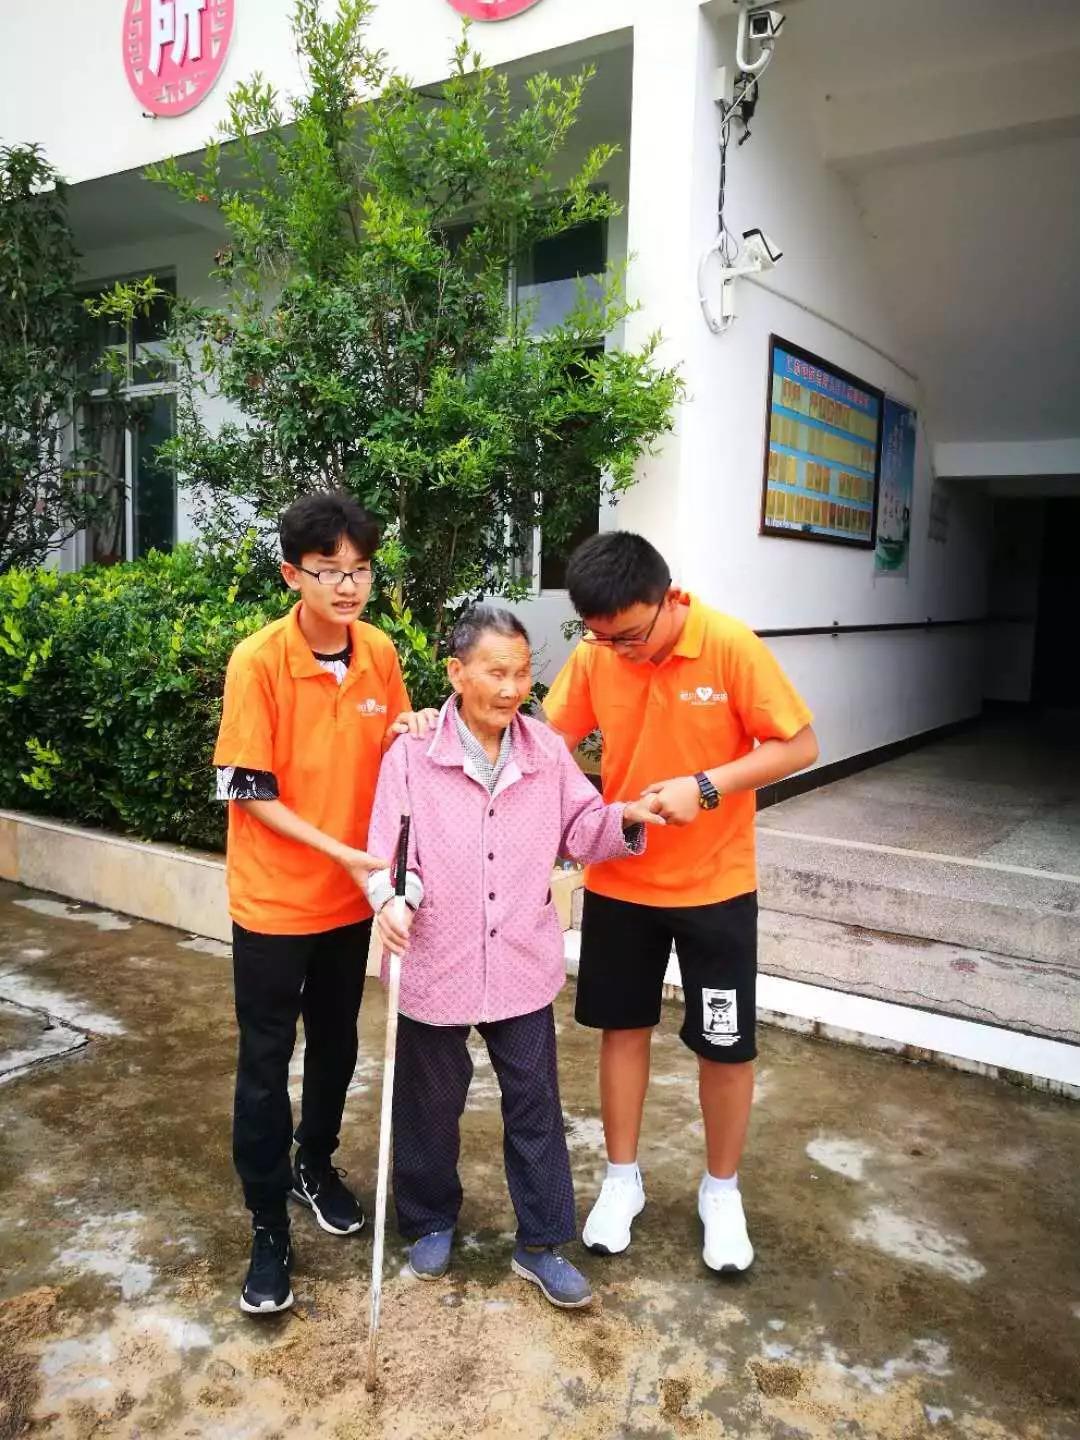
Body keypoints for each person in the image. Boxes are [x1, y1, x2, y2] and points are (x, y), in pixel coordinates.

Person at [365, 605, 665, 1309]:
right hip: (435, 961)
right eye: (496, 671)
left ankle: (540, 1242)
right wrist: (393, 899)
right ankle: (430, 1220)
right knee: (429, 1105)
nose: (511, 688)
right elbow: (391, 853)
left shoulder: (545, 751)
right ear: (457, 672)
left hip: (522, 964)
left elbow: (581, 827)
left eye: (523, 672)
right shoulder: (412, 754)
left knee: (535, 1105)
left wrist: (622, 818)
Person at [543, 531, 818, 1273]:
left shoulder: (728, 646)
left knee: (725, 1044)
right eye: (602, 638)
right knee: (622, 1028)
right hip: (621, 882)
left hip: (715, 887)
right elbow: (549, 739)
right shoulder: (598, 653)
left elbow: (798, 746)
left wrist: (706, 786)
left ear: (668, 600)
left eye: (631, 636)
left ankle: (720, 1191)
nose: (619, 652)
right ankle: (621, 1180)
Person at [213, 491, 436, 1315]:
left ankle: (315, 1161)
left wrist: (411, 727)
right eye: (330, 571)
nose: (348, 586)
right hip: (274, 902)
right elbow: (249, 790)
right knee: (265, 1064)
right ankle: (267, 1224)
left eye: (361, 570)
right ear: (291, 575)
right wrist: (340, 850)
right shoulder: (258, 662)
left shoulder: (377, 651)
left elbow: (389, 746)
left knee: (337, 1043)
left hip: (352, 901)